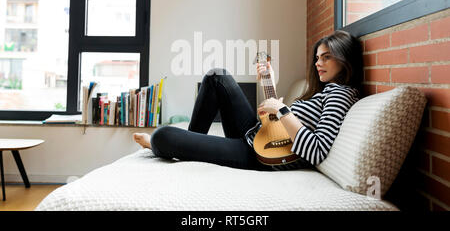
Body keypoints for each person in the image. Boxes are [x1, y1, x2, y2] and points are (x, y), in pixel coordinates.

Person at [133, 30, 364, 171]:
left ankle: (180, 146)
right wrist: (270, 86)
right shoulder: (323, 91)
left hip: (261, 157)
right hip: (259, 138)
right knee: (218, 77)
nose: (318, 63)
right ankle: (193, 144)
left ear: (345, 60)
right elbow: (277, 128)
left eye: (326, 57)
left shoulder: (340, 94)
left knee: (163, 136)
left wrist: (282, 109)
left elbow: (316, 150)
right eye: (317, 58)